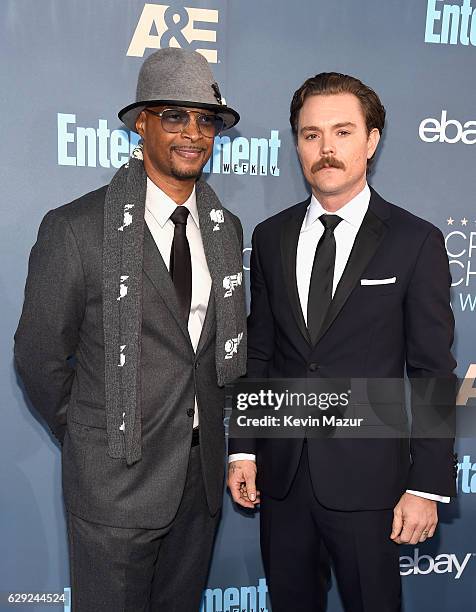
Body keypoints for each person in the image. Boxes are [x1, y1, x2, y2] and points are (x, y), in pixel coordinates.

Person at [15, 48, 246, 612]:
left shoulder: (225, 229)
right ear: (140, 123)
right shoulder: (75, 228)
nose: (193, 133)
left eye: (205, 119)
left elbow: (218, 354)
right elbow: (39, 357)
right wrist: (95, 427)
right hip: (114, 483)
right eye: (174, 115)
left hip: (198, 482)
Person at [228, 72, 457, 612]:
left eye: (343, 132)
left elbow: (432, 372)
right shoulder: (270, 236)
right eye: (311, 135)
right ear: (297, 144)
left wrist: (426, 485)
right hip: (282, 478)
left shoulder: (414, 240)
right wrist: (242, 448)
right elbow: (259, 351)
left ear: (372, 140)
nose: (326, 149)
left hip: (370, 483)